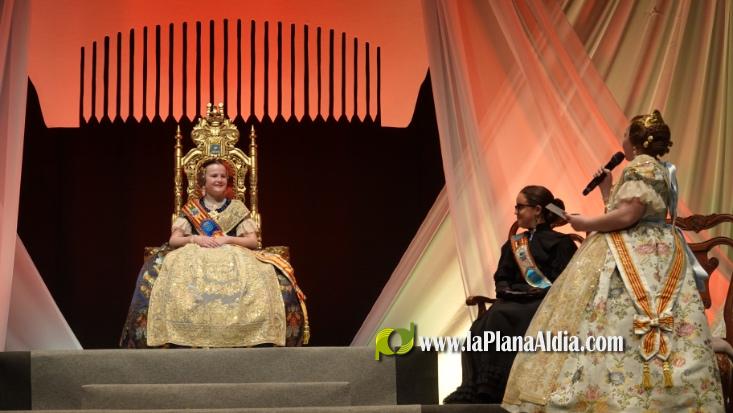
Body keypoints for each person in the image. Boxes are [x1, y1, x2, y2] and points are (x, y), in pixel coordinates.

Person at [503, 110, 724, 411]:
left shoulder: (641, 167)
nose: (622, 141)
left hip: (637, 251)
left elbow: (627, 217)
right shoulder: (659, 168)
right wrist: (607, 188)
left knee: (617, 316)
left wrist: (583, 222)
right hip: (648, 246)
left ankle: (622, 394)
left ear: (635, 141)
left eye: (625, 135)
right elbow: (624, 212)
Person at [120, 159, 308, 348]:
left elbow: (252, 242)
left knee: (266, 275)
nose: (219, 179)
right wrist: (196, 239)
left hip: (234, 256)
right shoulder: (192, 209)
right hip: (195, 254)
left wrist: (228, 239)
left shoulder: (237, 208)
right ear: (204, 181)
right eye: (214, 176)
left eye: (223, 176)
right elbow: (174, 240)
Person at [443, 186, 578, 404]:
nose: (515, 211)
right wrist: (507, 289)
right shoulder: (515, 244)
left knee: (500, 316)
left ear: (537, 209)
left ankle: (497, 389)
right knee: (482, 324)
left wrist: (533, 291)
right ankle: (477, 388)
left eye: (519, 206)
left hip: (544, 302)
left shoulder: (561, 243)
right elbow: (502, 276)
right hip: (513, 298)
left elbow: (565, 282)